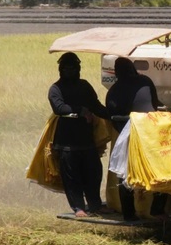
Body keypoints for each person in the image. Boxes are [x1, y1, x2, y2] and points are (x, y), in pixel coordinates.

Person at [48, 52, 111, 218]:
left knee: (94, 173)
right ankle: (78, 208)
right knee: (72, 177)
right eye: (66, 67)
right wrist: (80, 110)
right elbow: (59, 108)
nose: (70, 70)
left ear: (78, 69)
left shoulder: (84, 86)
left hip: (87, 140)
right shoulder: (56, 89)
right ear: (61, 70)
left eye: (73, 67)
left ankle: (95, 206)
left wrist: (113, 115)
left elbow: (96, 106)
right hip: (67, 142)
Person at [105, 57, 164, 221]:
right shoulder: (145, 81)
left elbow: (112, 115)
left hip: (129, 137)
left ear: (117, 73)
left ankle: (129, 215)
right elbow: (156, 103)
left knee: (125, 175)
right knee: (159, 169)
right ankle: (158, 210)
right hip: (149, 133)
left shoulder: (114, 91)